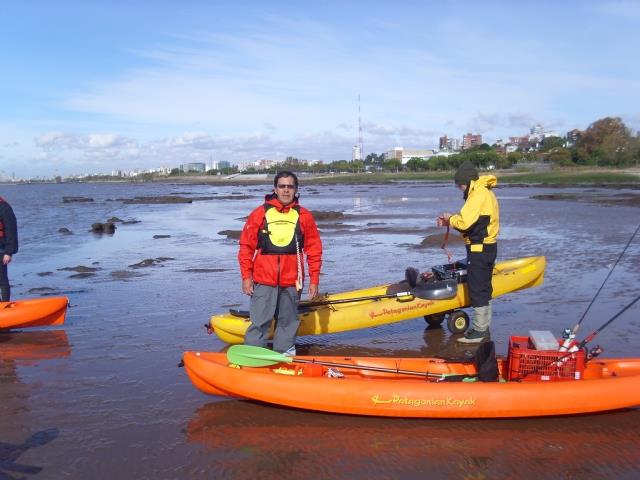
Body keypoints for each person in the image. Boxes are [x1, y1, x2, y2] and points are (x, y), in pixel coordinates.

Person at [238, 171, 322, 355]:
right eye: (282, 186)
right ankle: (252, 356)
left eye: (290, 186)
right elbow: (246, 247)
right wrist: (246, 276)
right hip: (263, 280)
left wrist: (314, 280)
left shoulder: (304, 216)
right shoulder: (260, 213)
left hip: (292, 282)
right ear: (275, 189)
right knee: (259, 322)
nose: (286, 190)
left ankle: (284, 355)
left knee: (288, 322)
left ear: (296, 189)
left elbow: (314, 250)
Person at [437, 161, 499, 343]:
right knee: (485, 287)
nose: (460, 188)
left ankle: (479, 331)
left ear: (468, 181)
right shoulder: (486, 192)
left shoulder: (477, 195)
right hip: (488, 247)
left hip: (479, 249)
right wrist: (451, 220)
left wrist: (450, 218)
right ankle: (484, 327)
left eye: (460, 185)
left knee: (477, 289)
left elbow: (464, 223)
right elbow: (473, 222)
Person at [0, 196, 18, 302]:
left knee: (2, 279)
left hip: (2, 249)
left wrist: (9, 252)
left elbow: (11, 230)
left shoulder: (4, 207)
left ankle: (5, 304)